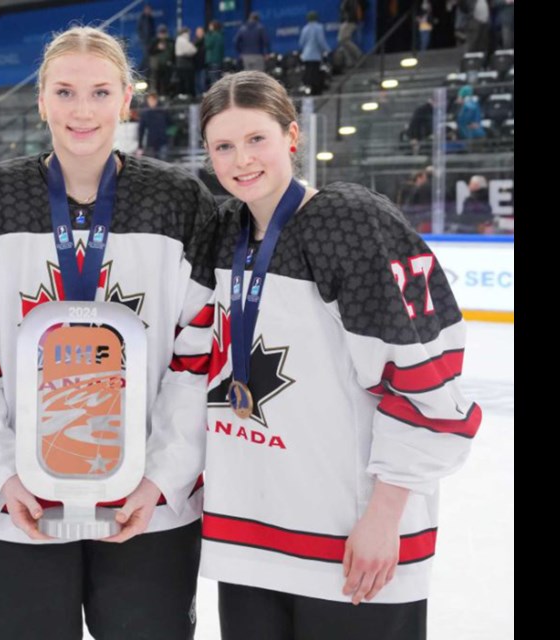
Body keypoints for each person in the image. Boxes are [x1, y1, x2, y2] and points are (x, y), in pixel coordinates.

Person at [0, 25, 219, 640]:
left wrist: (161, 480)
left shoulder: (180, 202)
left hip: (147, 511)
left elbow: (197, 360)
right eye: (64, 92)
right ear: (41, 100)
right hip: (20, 508)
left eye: (99, 92)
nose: (81, 110)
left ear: (126, 99)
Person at [198, 71, 481, 639]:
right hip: (252, 543)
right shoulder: (223, 230)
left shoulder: (352, 223)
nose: (241, 160)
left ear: (293, 137)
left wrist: (384, 519)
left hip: (351, 543)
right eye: (223, 146)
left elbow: (427, 385)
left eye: (257, 139)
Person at [299, 11, 330, 96]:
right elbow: (321, 41)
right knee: (315, 73)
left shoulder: (305, 28)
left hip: (306, 55)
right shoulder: (319, 27)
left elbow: (301, 42)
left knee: (308, 73)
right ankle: (316, 90)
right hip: (315, 55)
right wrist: (327, 50)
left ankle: (309, 89)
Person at [137, 91, 171, 160]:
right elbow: (141, 130)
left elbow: (171, 124)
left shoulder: (163, 111)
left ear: (156, 100)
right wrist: (140, 146)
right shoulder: (145, 113)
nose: (151, 102)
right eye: (149, 100)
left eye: (153, 100)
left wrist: (169, 136)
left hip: (163, 141)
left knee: (163, 162)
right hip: (151, 143)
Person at [174, 26, 198, 97]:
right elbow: (193, 50)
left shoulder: (179, 39)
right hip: (185, 63)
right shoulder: (183, 40)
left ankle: (182, 94)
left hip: (180, 63)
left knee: (182, 79)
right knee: (187, 79)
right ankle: (187, 94)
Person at [205, 20, 226, 87]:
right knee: (218, 78)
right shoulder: (221, 35)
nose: (209, 27)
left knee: (213, 79)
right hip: (219, 60)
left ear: (213, 27)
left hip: (213, 60)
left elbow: (207, 45)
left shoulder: (213, 36)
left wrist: (207, 34)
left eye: (210, 25)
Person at [137, 3, 157, 69]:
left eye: (150, 10)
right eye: (148, 9)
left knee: (148, 57)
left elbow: (152, 30)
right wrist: (142, 38)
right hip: (145, 41)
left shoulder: (151, 18)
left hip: (150, 40)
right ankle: (140, 70)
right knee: (146, 56)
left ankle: (144, 72)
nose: (149, 11)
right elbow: (139, 29)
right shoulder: (142, 18)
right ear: (145, 10)